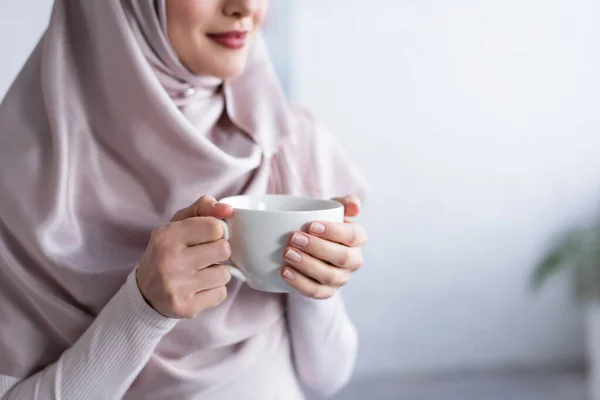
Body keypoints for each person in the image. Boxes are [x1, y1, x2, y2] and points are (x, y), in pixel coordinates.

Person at [0, 1, 368, 399]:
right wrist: (142, 310)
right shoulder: (16, 177)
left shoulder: (289, 142)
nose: (244, 7)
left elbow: (327, 377)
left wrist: (315, 286)